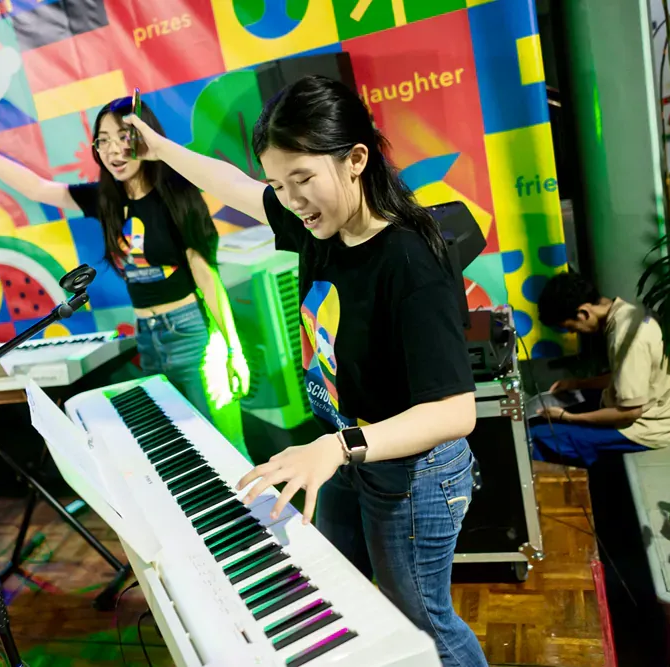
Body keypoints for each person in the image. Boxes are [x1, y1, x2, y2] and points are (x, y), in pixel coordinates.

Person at [122, 75, 486, 667]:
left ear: (355, 160)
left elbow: (455, 412)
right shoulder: (320, 222)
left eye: (302, 180)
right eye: (279, 184)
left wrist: (340, 447)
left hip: (414, 471)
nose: (290, 199)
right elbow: (233, 184)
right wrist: (160, 150)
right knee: (332, 579)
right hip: (351, 447)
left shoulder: (411, 259)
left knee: (421, 620)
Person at [0, 96, 250, 454]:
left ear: (143, 137)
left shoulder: (177, 195)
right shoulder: (105, 200)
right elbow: (38, 188)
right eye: (102, 140)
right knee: (184, 450)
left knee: (222, 445)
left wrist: (232, 348)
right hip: (148, 339)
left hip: (190, 336)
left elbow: (206, 276)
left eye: (123, 137)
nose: (113, 149)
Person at [531, 271, 670, 467]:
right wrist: (578, 384)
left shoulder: (625, 337)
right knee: (564, 403)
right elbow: (625, 377)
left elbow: (630, 412)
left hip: (648, 427)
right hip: (659, 405)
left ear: (584, 313)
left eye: (571, 327)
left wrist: (569, 417)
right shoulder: (629, 311)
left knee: (535, 437)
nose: (573, 333)